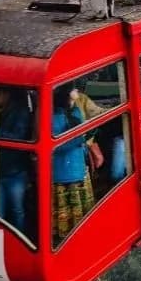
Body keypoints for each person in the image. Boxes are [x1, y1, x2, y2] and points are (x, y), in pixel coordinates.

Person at [51, 88, 94, 244]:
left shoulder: (72, 111)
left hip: (69, 169)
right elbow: (57, 145)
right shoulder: (55, 117)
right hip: (68, 171)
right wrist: (80, 139)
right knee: (76, 212)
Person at [0, 89, 33, 232]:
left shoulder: (21, 112)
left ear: (7, 93)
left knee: (17, 210)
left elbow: (17, 137)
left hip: (15, 171)